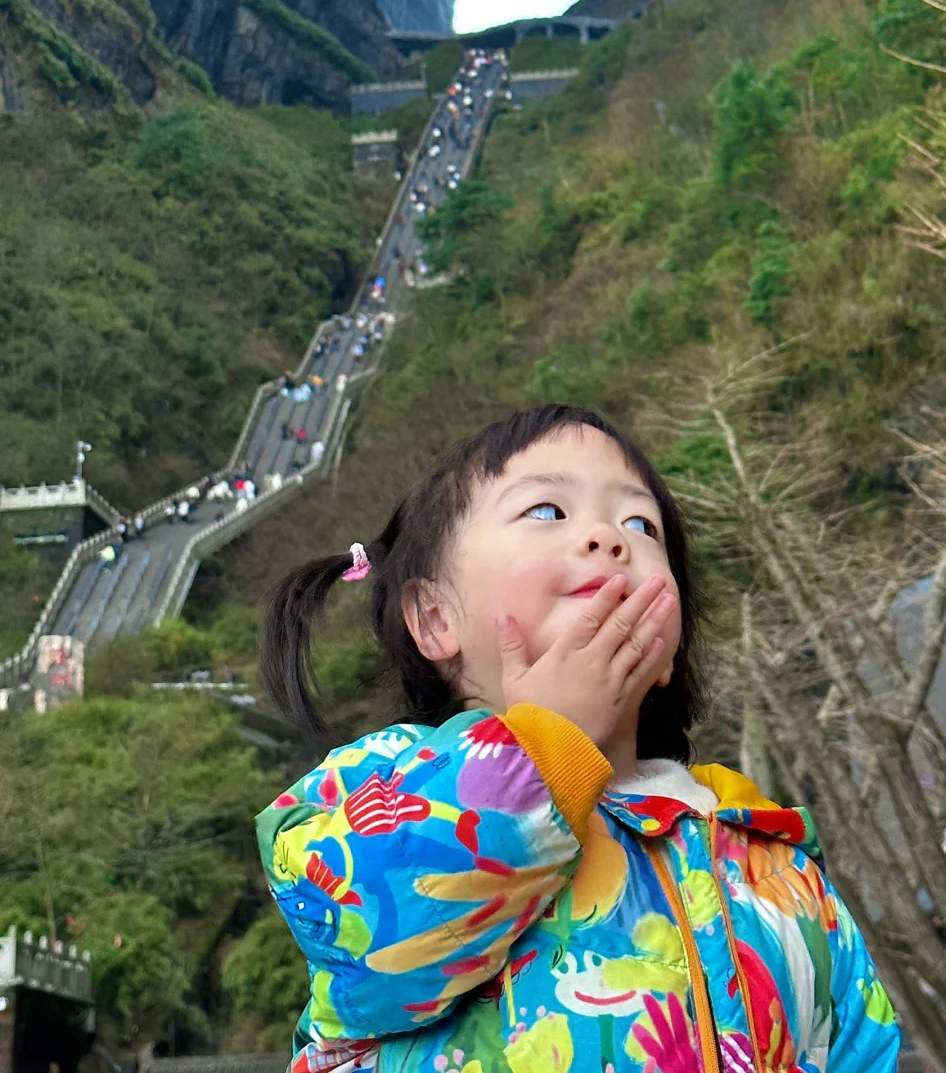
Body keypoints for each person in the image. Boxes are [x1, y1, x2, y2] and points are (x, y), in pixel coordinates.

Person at [257, 405, 899, 1073]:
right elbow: (368, 933)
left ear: (670, 650)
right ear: (435, 616)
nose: (608, 538)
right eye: (546, 512)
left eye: (640, 524)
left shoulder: (769, 858)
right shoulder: (380, 784)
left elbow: (860, 1044)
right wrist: (545, 749)